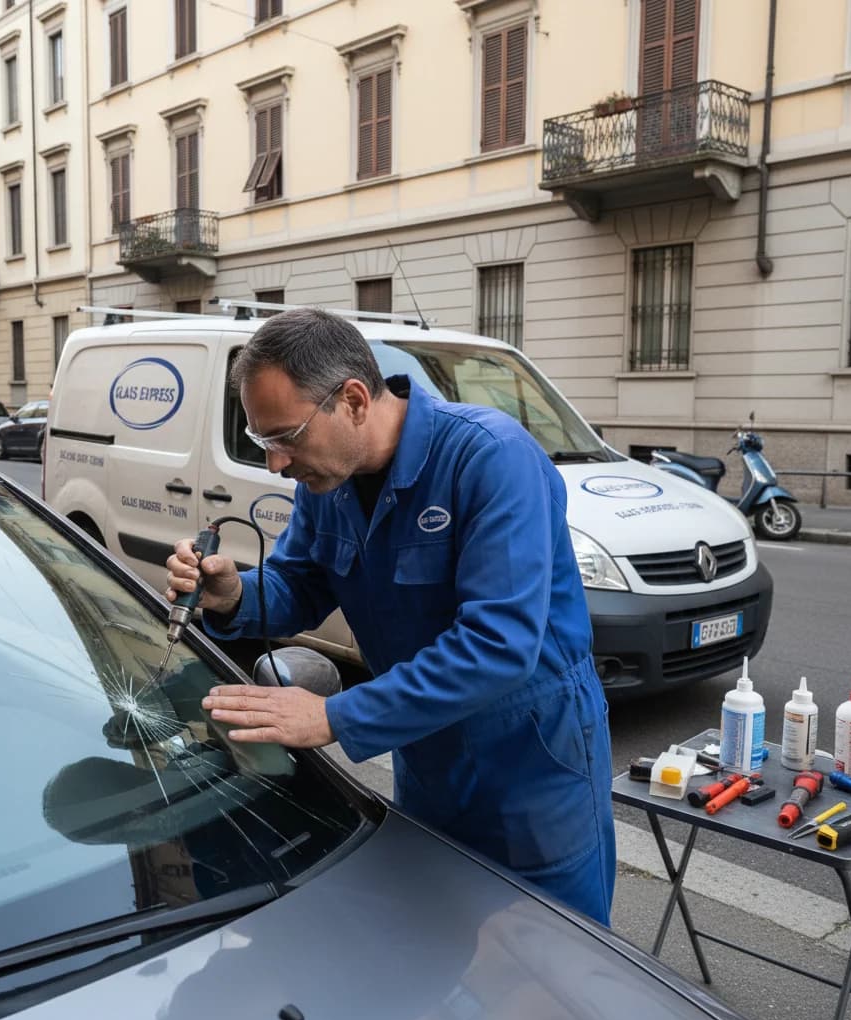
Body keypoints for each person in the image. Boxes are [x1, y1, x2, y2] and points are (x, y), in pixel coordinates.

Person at [165, 308, 616, 926]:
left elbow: (499, 645)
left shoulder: (490, 458)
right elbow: (302, 581)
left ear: (352, 399)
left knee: (558, 956)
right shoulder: (329, 482)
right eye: (263, 442)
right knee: (439, 936)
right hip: (427, 755)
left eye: (285, 437)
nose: (275, 464)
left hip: (530, 765)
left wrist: (333, 715)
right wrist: (234, 596)